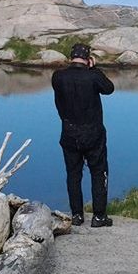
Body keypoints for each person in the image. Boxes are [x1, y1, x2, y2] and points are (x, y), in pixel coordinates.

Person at [51, 43, 115, 227]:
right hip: (93, 132)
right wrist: (95, 69)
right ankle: (99, 216)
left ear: (71, 57)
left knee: (73, 174)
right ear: (88, 59)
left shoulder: (58, 77)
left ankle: (77, 215)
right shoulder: (93, 77)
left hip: (69, 132)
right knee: (99, 172)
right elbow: (109, 88)